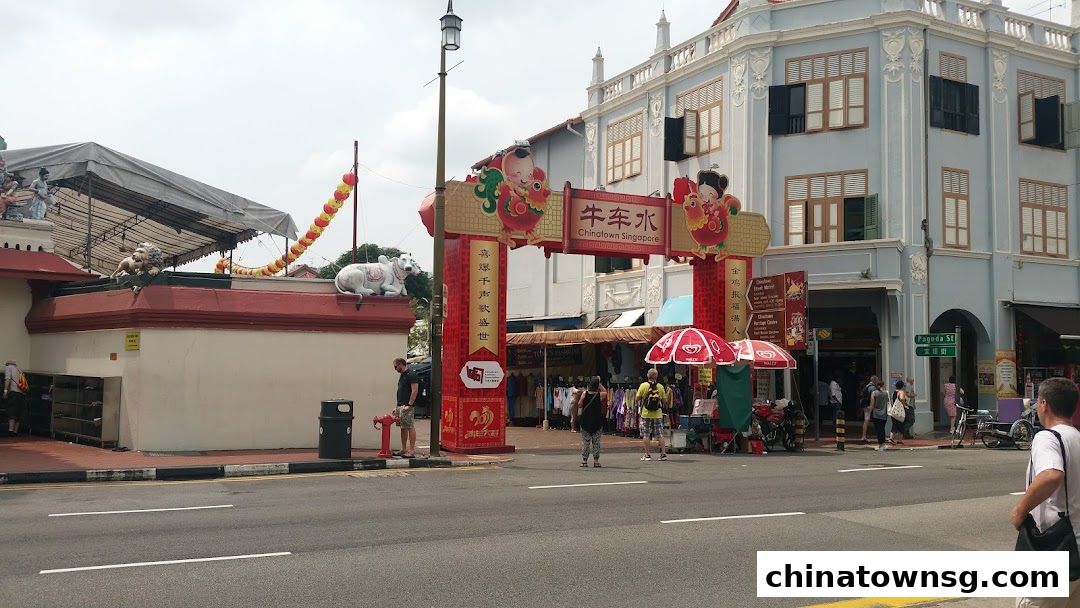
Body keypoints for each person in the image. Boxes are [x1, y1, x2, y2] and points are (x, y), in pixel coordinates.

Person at [1011, 377, 1080, 607]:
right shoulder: (1077, 438)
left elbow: (1051, 474)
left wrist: (1020, 511)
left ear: (1044, 405)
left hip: (1055, 548)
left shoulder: (1048, 437)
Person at [637, 368, 668, 461]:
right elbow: (664, 400)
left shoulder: (643, 386)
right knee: (660, 434)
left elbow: (637, 398)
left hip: (646, 413)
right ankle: (663, 454)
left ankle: (647, 455)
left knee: (646, 435)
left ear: (648, 376)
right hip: (657, 414)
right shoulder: (660, 387)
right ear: (657, 377)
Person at [577, 376, 607, 468]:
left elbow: (579, 404)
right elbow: (605, 392)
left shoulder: (584, 394)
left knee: (586, 441)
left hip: (585, 421)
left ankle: (584, 461)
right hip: (597, 421)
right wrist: (600, 383)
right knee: (596, 442)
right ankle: (596, 461)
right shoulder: (600, 395)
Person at [392, 358, 418, 458]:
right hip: (401, 405)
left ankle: (411, 450)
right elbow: (400, 391)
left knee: (409, 426)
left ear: (401, 364)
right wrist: (397, 406)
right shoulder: (402, 375)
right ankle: (403, 448)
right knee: (403, 427)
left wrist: (410, 404)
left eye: (396, 366)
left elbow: (414, 390)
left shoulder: (411, 374)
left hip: (407, 405)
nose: (395, 369)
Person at [4, 359, 25, 436]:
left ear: (7, 364)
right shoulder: (19, 370)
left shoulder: (8, 368)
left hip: (13, 392)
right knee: (18, 412)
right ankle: (16, 431)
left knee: (11, 410)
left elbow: (8, 380)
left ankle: (10, 431)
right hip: (22, 393)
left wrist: (5, 391)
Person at [870, 378, 890, 451]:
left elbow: (872, 404)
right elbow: (888, 402)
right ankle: (883, 444)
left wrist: (870, 411)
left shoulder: (874, 393)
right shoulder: (886, 393)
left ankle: (880, 444)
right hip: (884, 414)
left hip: (876, 414)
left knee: (878, 430)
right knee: (882, 429)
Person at [859, 375, 880, 444]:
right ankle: (864, 436)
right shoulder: (873, 388)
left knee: (866, 420)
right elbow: (876, 396)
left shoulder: (867, 386)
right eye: (877, 380)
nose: (878, 382)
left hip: (865, 406)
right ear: (874, 380)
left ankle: (864, 436)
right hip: (869, 406)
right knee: (867, 420)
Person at [890, 380, 909, 445]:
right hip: (899, 412)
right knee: (901, 425)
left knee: (894, 425)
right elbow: (901, 399)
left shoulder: (894, 392)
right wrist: (904, 405)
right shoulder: (901, 392)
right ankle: (899, 440)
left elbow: (892, 401)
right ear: (902, 386)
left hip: (894, 411)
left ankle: (891, 438)